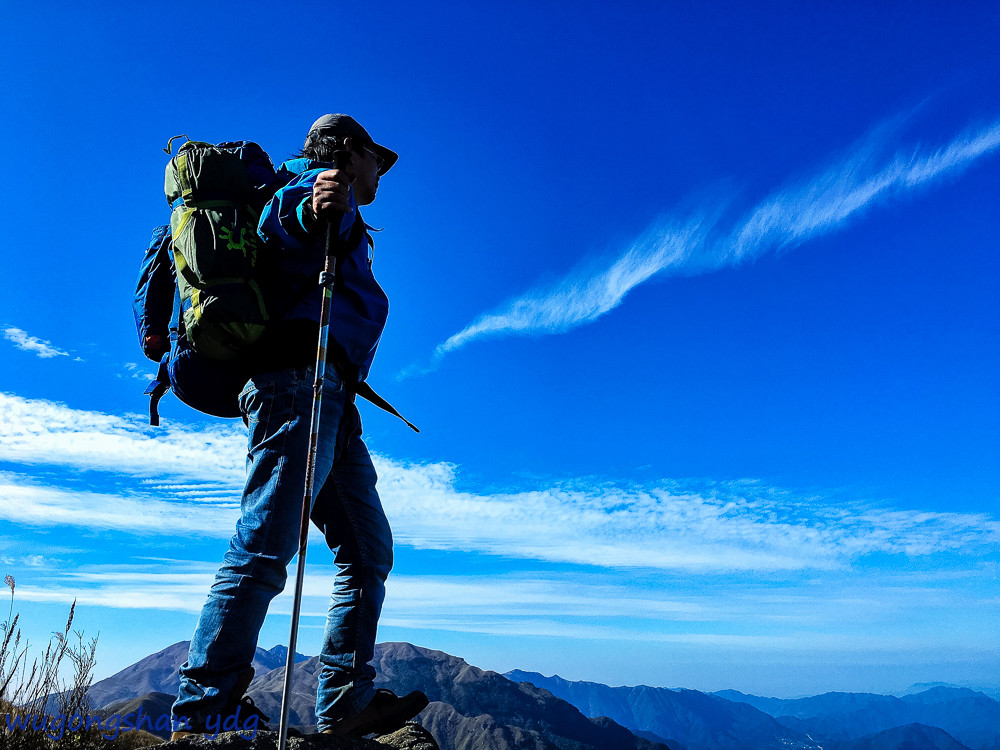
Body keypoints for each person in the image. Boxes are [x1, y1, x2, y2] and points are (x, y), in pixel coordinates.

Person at [170, 114, 427, 739]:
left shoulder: (345, 208)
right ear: (349, 152)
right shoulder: (309, 185)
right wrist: (315, 210)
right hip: (297, 382)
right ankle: (207, 705)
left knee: (369, 551)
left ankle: (344, 705)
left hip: (332, 397)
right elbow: (278, 221)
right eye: (375, 158)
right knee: (265, 544)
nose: (379, 172)